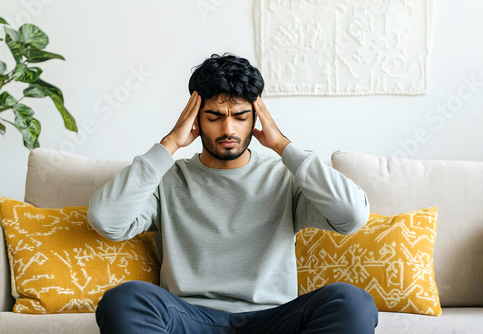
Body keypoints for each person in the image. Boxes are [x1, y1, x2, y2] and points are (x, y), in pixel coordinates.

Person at [87, 53, 379, 333]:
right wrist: (170, 144)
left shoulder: (286, 177)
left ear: (256, 118)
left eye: (240, 116)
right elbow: (107, 220)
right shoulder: (167, 178)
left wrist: (283, 147)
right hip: (189, 318)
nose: (228, 129)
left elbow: (351, 217)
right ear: (195, 120)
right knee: (125, 299)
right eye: (214, 117)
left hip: (273, 319)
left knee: (352, 302)